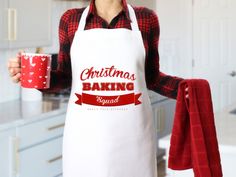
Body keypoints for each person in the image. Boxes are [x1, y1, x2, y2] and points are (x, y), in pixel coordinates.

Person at [7, 0, 185, 177]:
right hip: (85, 144)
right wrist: (30, 76)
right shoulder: (71, 20)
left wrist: (187, 89)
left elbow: (152, 78)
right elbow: (65, 76)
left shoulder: (146, 18)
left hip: (134, 143)